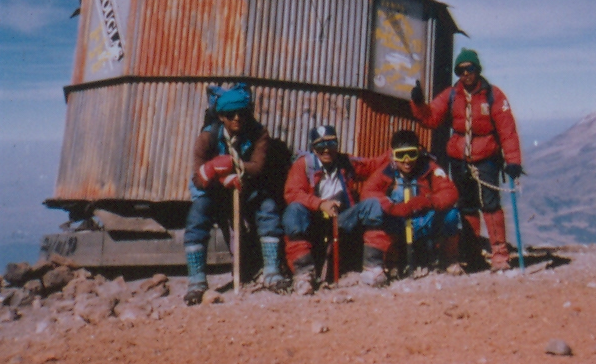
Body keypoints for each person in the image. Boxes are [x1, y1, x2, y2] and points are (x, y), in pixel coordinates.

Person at [409, 48, 524, 272]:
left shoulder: (494, 95)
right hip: (459, 160)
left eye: (469, 68)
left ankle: (500, 255)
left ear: (477, 69)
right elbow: (431, 117)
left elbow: (507, 130)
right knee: (466, 206)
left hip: (486, 158)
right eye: (460, 70)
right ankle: (473, 256)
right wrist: (418, 104)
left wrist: (513, 161)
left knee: (490, 205)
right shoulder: (452, 95)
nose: (465, 74)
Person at [183, 85, 285, 305]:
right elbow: (198, 179)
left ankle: (272, 271)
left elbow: (257, 167)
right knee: (196, 217)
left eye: (242, 113)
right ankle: (197, 281)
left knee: (268, 209)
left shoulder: (259, 133)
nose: (237, 118)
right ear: (221, 116)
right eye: (230, 115)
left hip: (248, 187)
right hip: (214, 191)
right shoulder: (207, 138)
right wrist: (218, 175)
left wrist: (232, 165)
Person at [282, 125, 389, 295]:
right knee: (293, 212)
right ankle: (303, 275)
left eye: (331, 144)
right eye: (320, 146)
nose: (326, 150)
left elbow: (371, 165)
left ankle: (373, 268)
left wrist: (397, 150)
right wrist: (320, 204)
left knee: (372, 205)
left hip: (341, 219)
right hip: (313, 221)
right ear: (313, 148)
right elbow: (292, 193)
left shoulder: (345, 162)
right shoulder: (303, 165)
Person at [360, 130, 462, 284]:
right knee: (375, 217)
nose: (407, 161)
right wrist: (391, 207)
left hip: (422, 221)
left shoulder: (429, 168)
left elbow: (449, 191)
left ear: (418, 152)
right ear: (393, 155)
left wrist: (429, 201)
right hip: (398, 223)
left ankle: (449, 259)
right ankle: (385, 263)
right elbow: (368, 192)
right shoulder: (387, 170)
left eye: (411, 154)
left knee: (452, 215)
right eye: (401, 155)